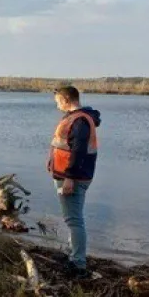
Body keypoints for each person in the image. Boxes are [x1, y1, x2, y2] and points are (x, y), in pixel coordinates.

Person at [48, 86, 101, 279]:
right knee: (73, 218)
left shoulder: (80, 121)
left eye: (57, 101)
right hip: (70, 176)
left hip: (72, 178)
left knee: (74, 220)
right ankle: (74, 256)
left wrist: (69, 178)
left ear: (65, 99)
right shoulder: (80, 118)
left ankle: (78, 264)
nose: (57, 105)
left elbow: (78, 151)